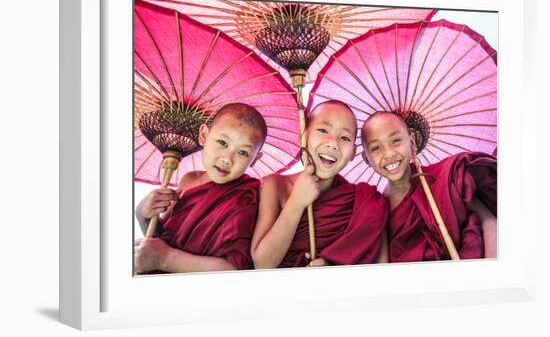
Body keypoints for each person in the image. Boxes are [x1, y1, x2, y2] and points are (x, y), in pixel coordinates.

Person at [251, 100, 388, 269]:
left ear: (353, 152)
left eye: (344, 137)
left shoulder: (363, 202)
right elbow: (262, 263)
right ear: (304, 135)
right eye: (323, 130)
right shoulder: (276, 185)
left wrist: (332, 266)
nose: (333, 143)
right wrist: (297, 201)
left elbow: (381, 269)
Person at [134, 103, 267, 273]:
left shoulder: (249, 195)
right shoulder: (188, 181)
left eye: (243, 153)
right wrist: (143, 216)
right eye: (222, 142)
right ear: (204, 135)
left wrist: (165, 259)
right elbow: (162, 239)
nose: (227, 158)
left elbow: (235, 269)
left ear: (255, 158)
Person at [360, 111, 497, 262]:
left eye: (396, 140)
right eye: (376, 148)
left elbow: (489, 220)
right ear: (366, 158)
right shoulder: (377, 210)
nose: (389, 153)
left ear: (411, 142)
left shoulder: (444, 178)